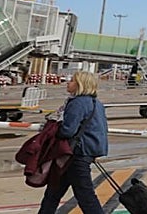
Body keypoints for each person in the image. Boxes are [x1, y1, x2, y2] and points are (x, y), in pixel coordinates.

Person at [37, 71, 108, 214]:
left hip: (76, 154)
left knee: (85, 196)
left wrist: (53, 129)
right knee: (54, 191)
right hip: (85, 152)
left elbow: (68, 131)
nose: (68, 82)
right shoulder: (96, 103)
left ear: (80, 85)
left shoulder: (78, 103)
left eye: (72, 80)